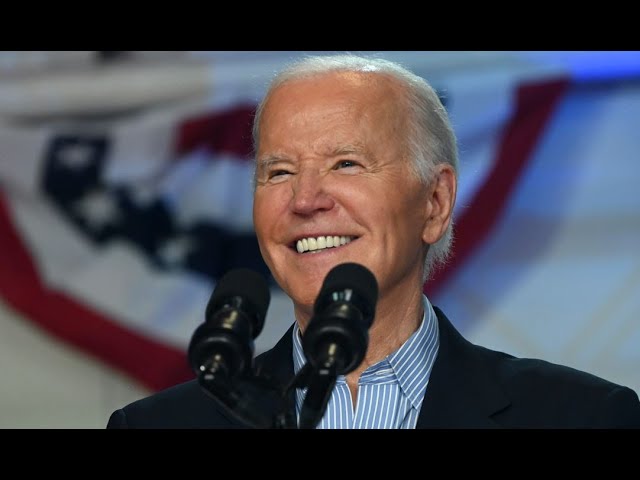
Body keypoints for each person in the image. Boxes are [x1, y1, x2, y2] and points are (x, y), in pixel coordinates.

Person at [107, 54, 640, 428]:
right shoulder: (157, 426)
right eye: (278, 172)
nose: (305, 199)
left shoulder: (584, 417)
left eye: (346, 163)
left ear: (434, 203)